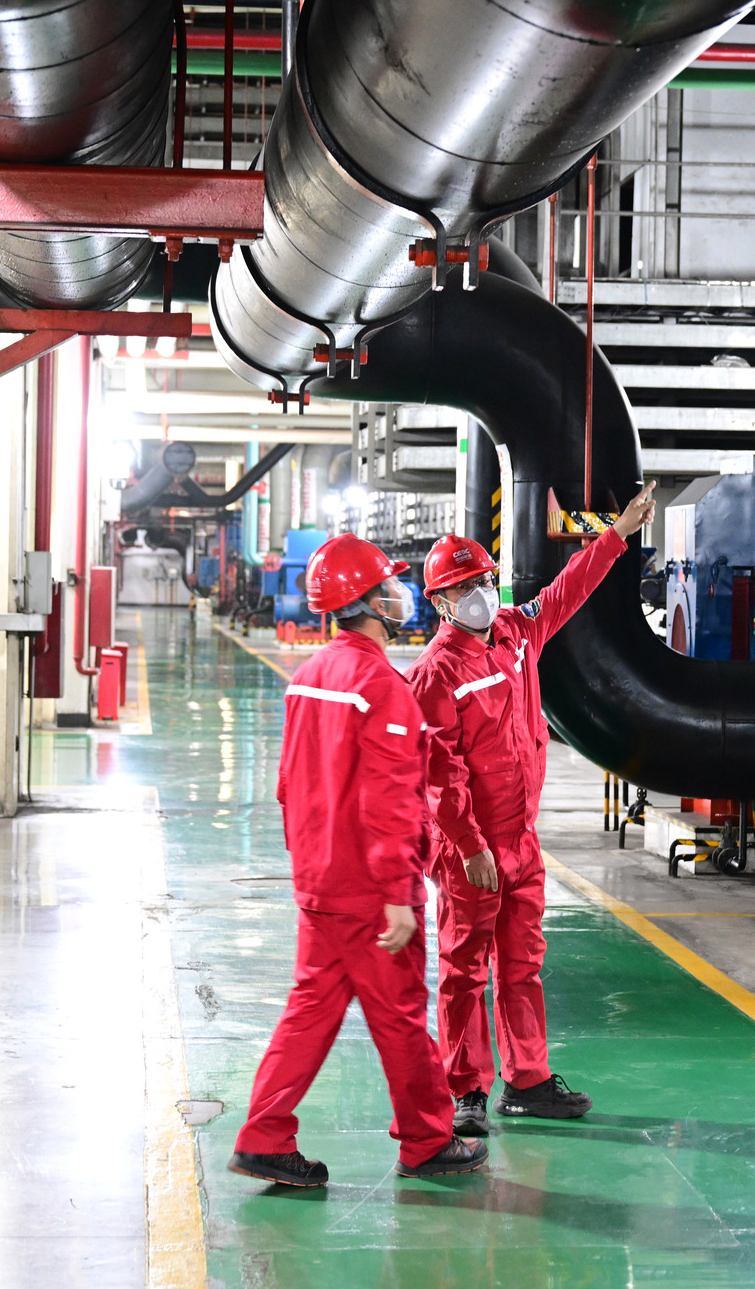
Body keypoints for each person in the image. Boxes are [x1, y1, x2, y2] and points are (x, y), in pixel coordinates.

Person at [229, 533, 488, 1187]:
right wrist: (399, 890)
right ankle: (428, 1138)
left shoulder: (309, 676)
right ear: (370, 600)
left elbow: (288, 784)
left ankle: (263, 1133)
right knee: (401, 1012)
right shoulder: (381, 686)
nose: (402, 593)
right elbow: (391, 800)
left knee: (311, 1007)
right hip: (370, 892)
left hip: (318, 879)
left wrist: (310, 864)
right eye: (392, 585)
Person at [411, 482, 657, 1137]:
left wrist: (618, 534)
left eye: (486, 580)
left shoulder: (518, 634)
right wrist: (469, 846)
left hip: (520, 842)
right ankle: (465, 1089)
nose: (481, 595)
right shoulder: (436, 671)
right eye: (466, 587)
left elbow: (568, 590)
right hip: (472, 851)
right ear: (438, 602)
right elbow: (440, 773)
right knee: (464, 970)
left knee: (522, 964)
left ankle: (527, 1079)